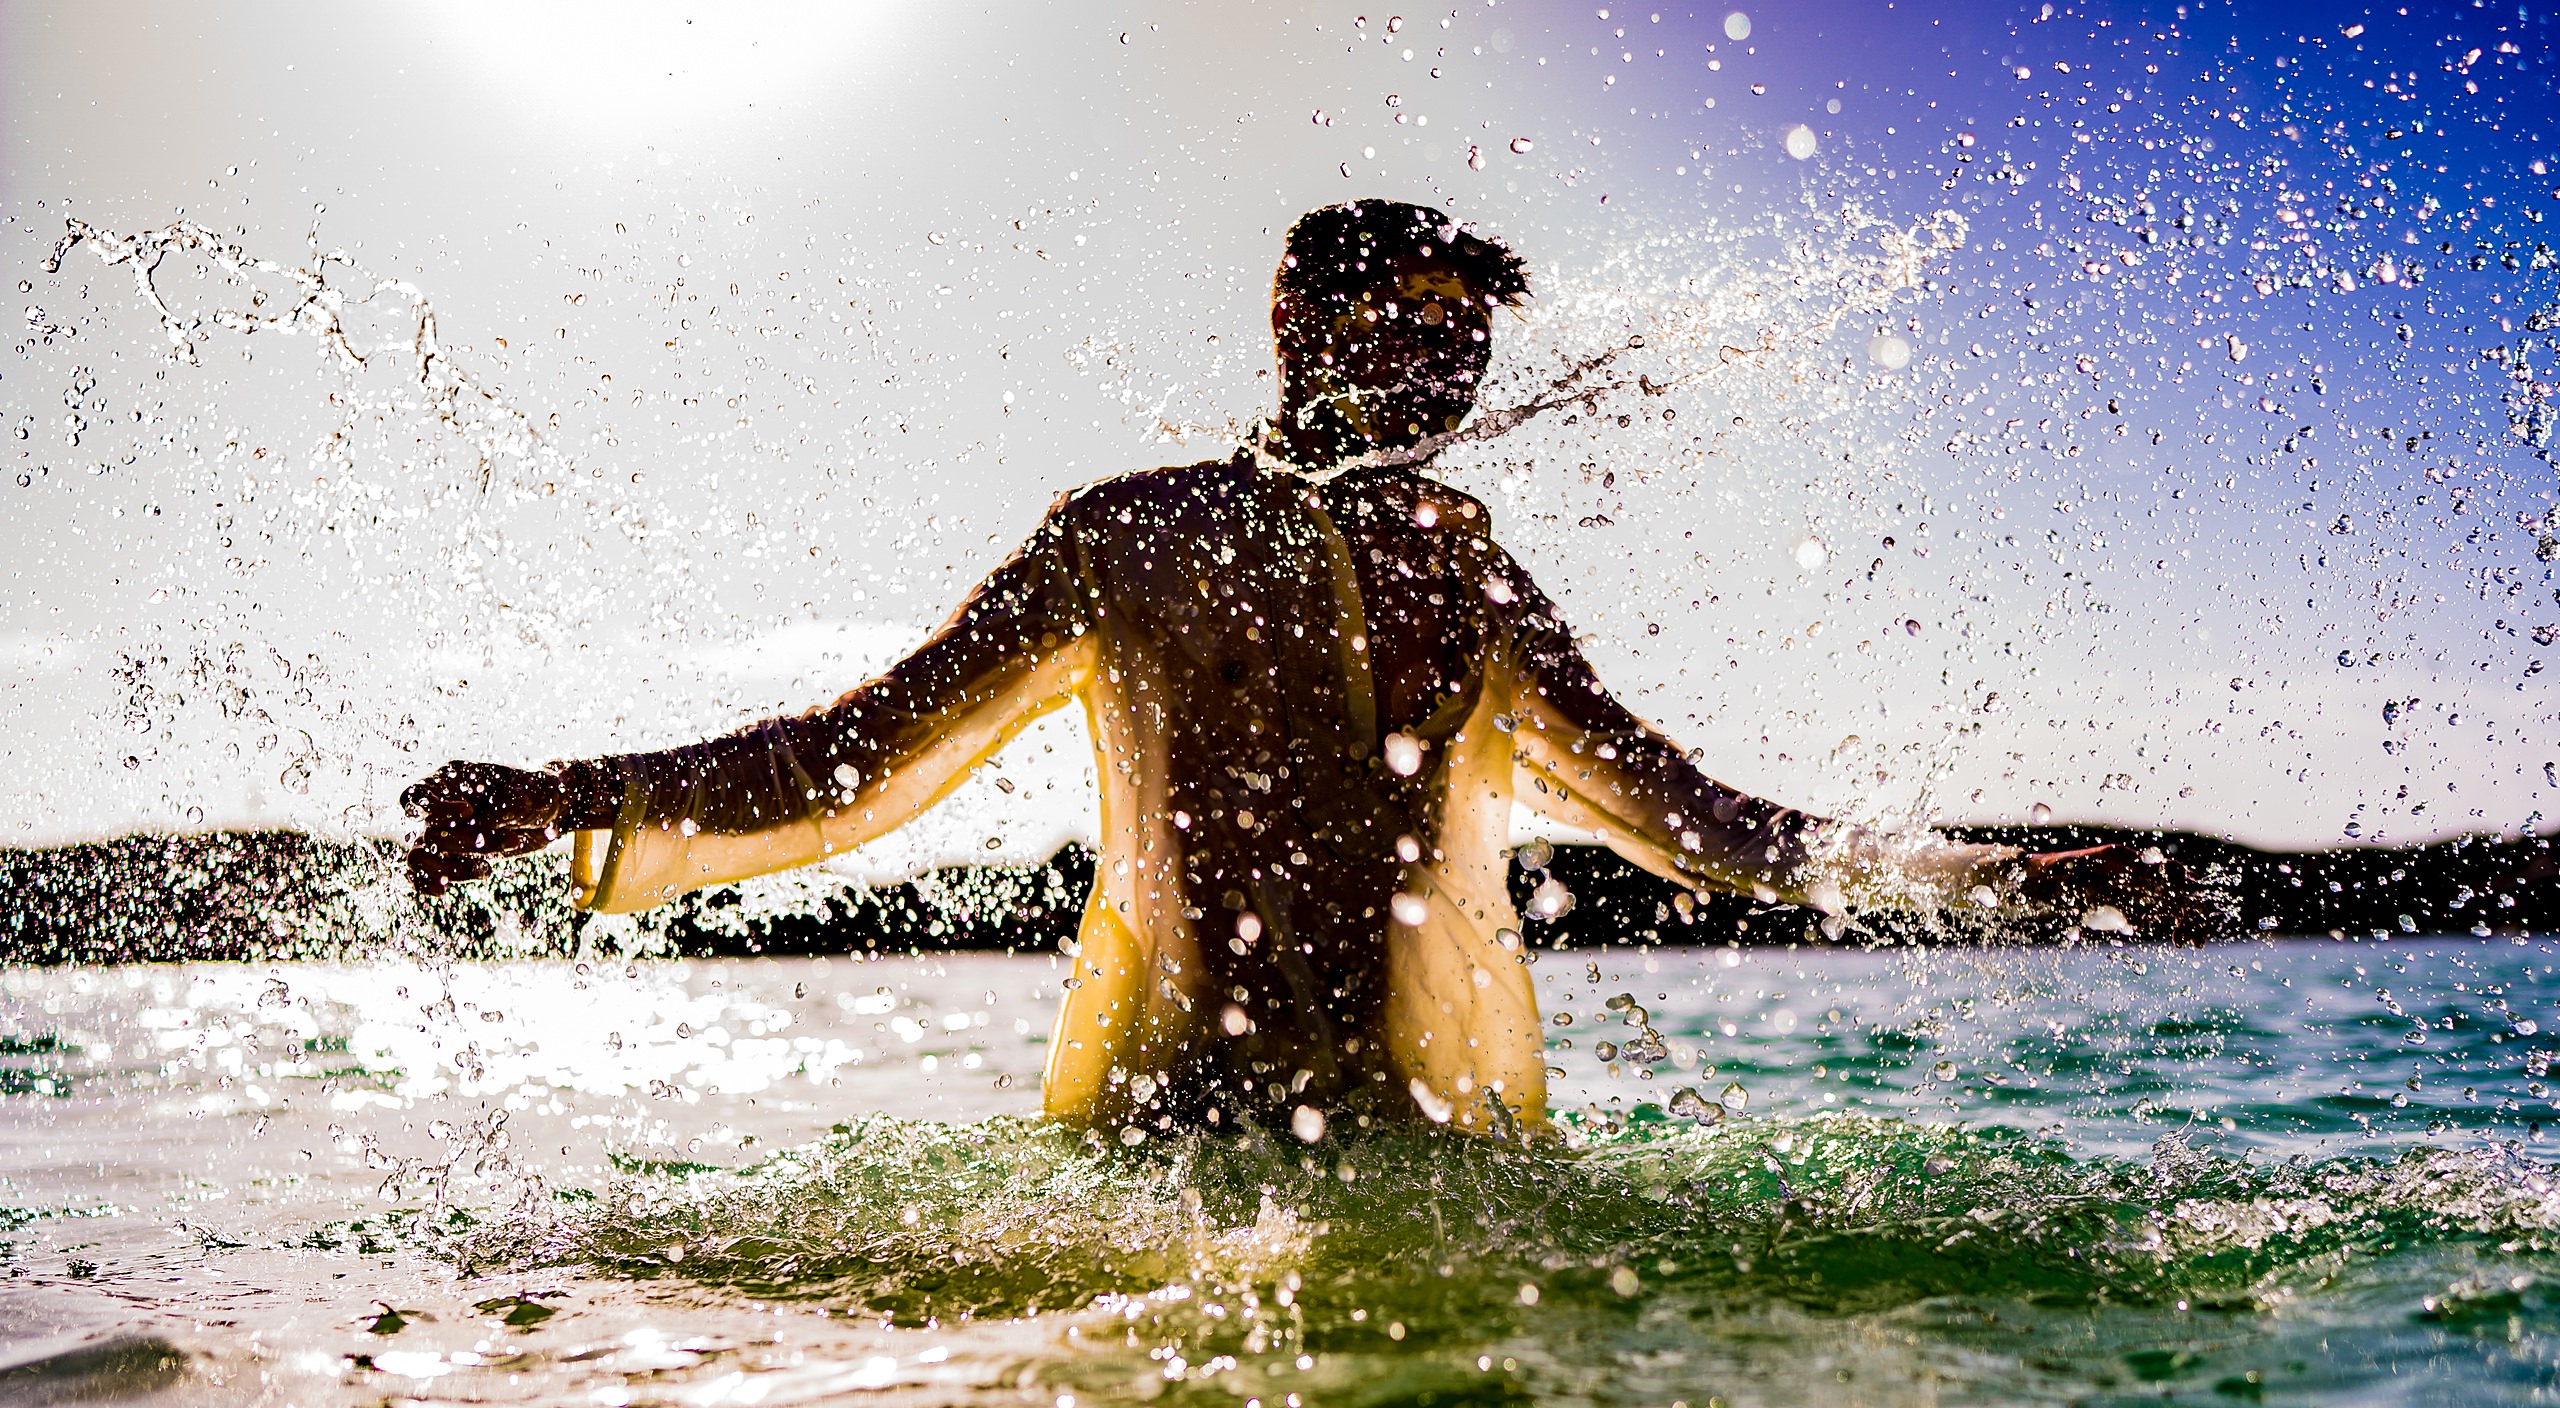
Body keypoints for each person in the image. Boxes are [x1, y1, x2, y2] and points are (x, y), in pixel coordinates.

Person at [405, 200, 2169, 1137]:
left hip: (1440, 1150)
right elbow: (859, 759)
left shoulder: (1473, 575)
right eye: (1414, 334)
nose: (1450, 384)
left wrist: (1975, 881)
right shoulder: (1127, 539)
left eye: (1469, 353)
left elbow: (1695, 817)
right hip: (1161, 1147)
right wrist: (582, 798)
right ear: (1295, 326)